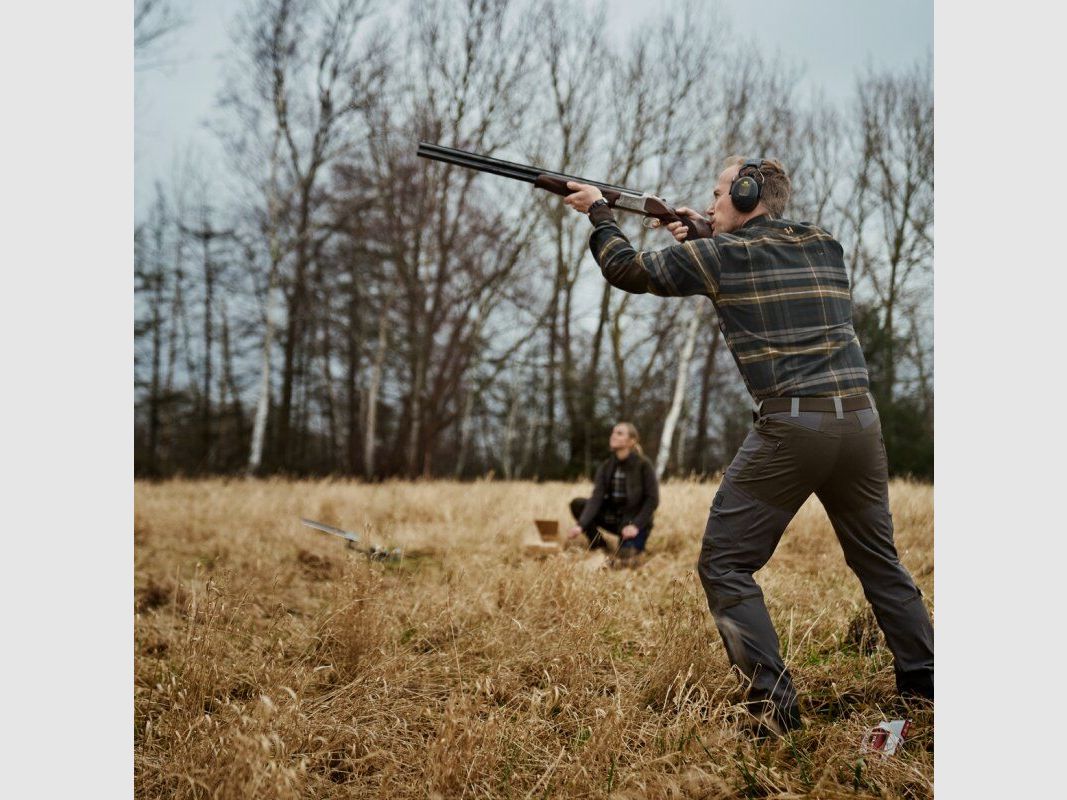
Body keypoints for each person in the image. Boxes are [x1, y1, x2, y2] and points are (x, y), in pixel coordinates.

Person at [561, 157, 934, 734]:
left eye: (716, 195)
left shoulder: (722, 256)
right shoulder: (825, 244)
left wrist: (601, 215)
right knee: (880, 563)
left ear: (745, 191)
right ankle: (927, 690)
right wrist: (707, 232)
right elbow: (766, 258)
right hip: (860, 424)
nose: (709, 204)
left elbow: (629, 271)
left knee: (725, 563)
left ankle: (774, 710)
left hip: (793, 429)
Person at [568, 422, 659, 560]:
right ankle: (599, 545)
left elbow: (652, 499)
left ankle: (629, 546)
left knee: (625, 559)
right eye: (613, 432)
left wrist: (635, 525)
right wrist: (581, 525)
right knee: (578, 504)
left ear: (632, 441)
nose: (613, 436)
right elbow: (596, 498)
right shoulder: (606, 466)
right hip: (613, 518)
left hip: (634, 521)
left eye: (619, 433)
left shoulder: (643, 465)